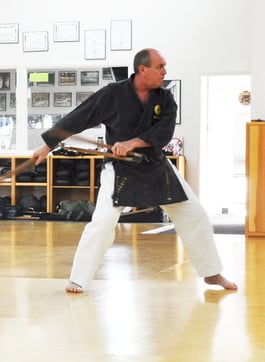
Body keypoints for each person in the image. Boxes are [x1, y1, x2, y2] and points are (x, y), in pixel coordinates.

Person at [32, 48, 238, 293]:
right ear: (143, 69)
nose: (165, 71)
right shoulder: (113, 94)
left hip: (155, 165)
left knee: (195, 214)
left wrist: (133, 143)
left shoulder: (164, 98)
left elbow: (164, 132)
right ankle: (79, 277)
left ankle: (212, 273)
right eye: (160, 66)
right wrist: (47, 145)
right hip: (120, 168)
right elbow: (79, 116)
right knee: (103, 222)